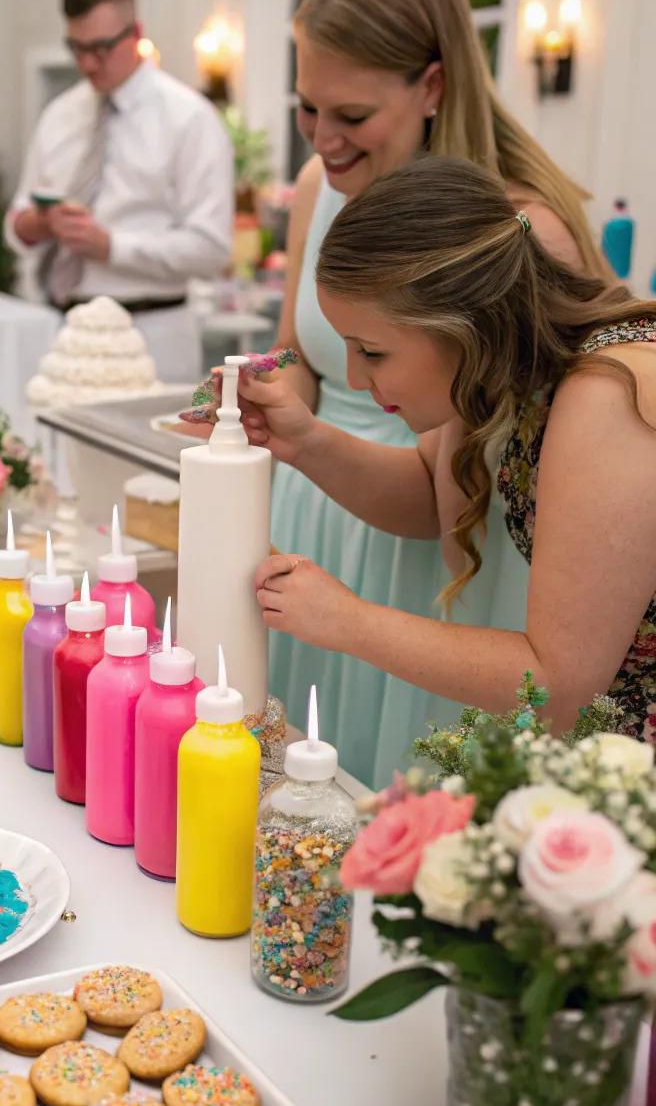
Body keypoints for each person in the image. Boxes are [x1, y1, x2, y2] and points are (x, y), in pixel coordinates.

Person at [268, 0, 603, 787]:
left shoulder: (515, 238)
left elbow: (558, 667)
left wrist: (356, 618)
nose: (323, 140)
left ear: (431, 84)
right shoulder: (321, 187)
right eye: (308, 110)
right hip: (333, 503)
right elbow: (298, 348)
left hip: (458, 557)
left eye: (350, 116)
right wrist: (273, 409)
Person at [244, 157, 656, 746]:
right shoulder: (506, 365)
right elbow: (427, 494)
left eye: (372, 351)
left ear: (463, 326)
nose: (354, 379)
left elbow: (557, 686)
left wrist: (349, 621)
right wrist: (304, 440)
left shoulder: (612, 396)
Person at [7, 0, 234, 384]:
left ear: (136, 33)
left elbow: (211, 249)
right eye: (76, 48)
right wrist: (40, 224)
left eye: (101, 48)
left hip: (153, 334)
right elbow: (16, 226)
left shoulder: (190, 119)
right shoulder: (60, 116)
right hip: (64, 334)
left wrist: (111, 246)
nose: (88, 64)